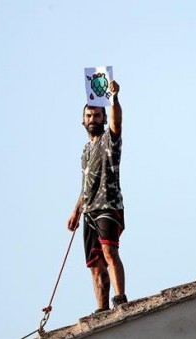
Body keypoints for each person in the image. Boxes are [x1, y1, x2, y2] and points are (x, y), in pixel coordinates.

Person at [67, 80, 128, 313]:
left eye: (96, 115)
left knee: (110, 251)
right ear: (83, 120)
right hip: (89, 209)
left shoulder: (109, 140)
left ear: (103, 119)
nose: (93, 119)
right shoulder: (85, 151)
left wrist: (114, 98)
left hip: (109, 204)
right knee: (94, 264)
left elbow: (117, 121)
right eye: (89, 116)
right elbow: (86, 184)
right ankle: (101, 310)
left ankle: (120, 299)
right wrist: (76, 210)